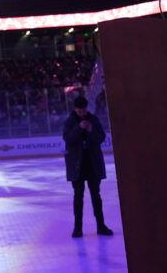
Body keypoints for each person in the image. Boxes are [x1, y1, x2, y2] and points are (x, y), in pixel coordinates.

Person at [63, 96, 112, 238]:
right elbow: (68, 139)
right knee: (78, 197)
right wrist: (79, 128)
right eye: (79, 111)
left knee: (96, 196)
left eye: (84, 110)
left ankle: (101, 226)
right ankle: (77, 228)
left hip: (92, 164)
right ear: (75, 109)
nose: (82, 113)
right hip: (77, 166)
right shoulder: (70, 122)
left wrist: (91, 130)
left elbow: (101, 138)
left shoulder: (93, 120)